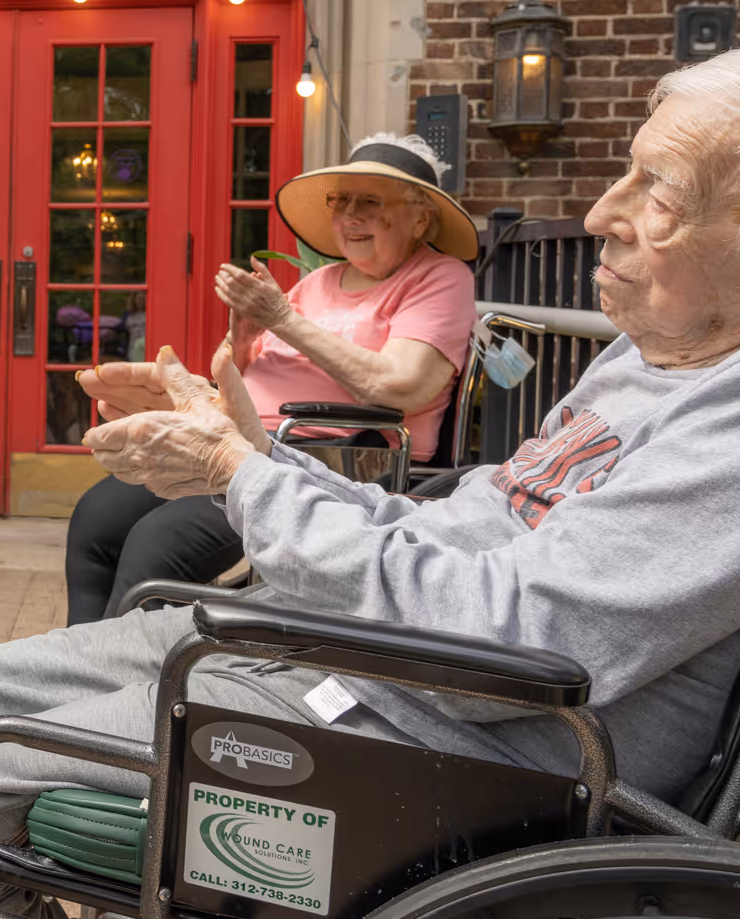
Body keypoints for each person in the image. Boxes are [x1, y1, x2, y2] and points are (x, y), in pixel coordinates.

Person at [0, 41, 740, 919]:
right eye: (627, 174)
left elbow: (512, 645)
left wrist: (243, 477)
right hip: (356, 659)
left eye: (662, 195)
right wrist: (243, 446)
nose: (602, 211)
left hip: (449, 751)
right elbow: (467, 523)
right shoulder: (655, 356)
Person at [65, 133, 477, 624]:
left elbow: (402, 385)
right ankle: (77, 660)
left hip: (329, 460)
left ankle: (127, 683)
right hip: (232, 435)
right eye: (340, 202)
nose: (350, 216)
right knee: (95, 522)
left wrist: (281, 317)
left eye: (369, 202)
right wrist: (241, 338)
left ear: (421, 217)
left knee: (154, 546)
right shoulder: (319, 281)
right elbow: (251, 369)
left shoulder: (441, 278)